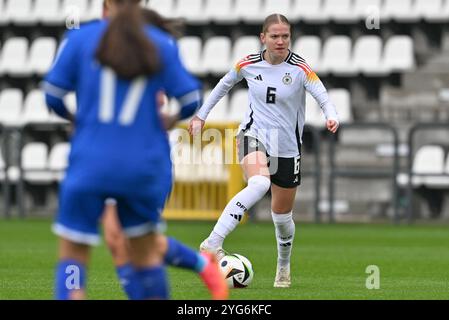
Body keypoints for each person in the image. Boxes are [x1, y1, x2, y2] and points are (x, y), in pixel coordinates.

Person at [43, 0, 227, 299]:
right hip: (140, 164)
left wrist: (77, 120)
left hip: (90, 161)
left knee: (74, 254)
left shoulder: (81, 38)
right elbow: (191, 99)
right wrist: (167, 120)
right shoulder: (159, 43)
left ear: (106, 5)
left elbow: (52, 96)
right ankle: (196, 268)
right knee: (145, 254)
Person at [189, 14, 339, 288]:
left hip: (288, 149)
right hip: (253, 135)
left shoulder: (300, 68)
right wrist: (201, 116)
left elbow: (322, 94)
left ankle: (283, 266)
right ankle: (212, 242)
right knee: (259, 182)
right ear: (263, 38)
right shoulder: (248, 64)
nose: (281, 41)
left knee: (282, 220)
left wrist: (331, 114)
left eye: (285, 36)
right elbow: (223, 85)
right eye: (275, 36)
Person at [99, 2, 227, 300]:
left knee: (140, 241)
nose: (109, 14)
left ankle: (202, 265)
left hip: (145, 157)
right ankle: (201, 265)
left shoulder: (150, 47)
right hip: (106, 156)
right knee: (117, 240)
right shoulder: (96, 45)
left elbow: (173, 98)